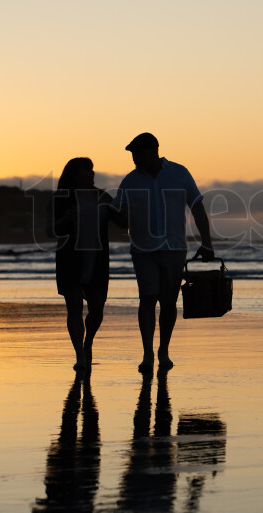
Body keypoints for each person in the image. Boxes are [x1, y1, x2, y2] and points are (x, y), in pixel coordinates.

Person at [113, 133, 214, 373]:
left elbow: (197, 206)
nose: (134, 159)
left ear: (153, 150)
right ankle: (148, 354)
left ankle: (163, 351)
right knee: (147, 299)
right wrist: (109, 210)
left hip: (174, 248)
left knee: (168, 303)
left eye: (137, 154)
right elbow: (119, 217)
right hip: (142, 250)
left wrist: (207, 242)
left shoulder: (179, 173)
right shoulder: (129, 181)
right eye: (132, 155)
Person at [47, 157, 117, 371]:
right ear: (73, 174)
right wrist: (65, 220)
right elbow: (51, 231)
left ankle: (89, 342)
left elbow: (123, 222)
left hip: (97, 260)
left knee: (97, 310)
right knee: (74, 307)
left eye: (92, 170)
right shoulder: (61, 198)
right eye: (86, 170)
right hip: (70, 260)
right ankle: (80, 355)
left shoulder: (102, 196)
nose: (91, 173)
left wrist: (132, 209)